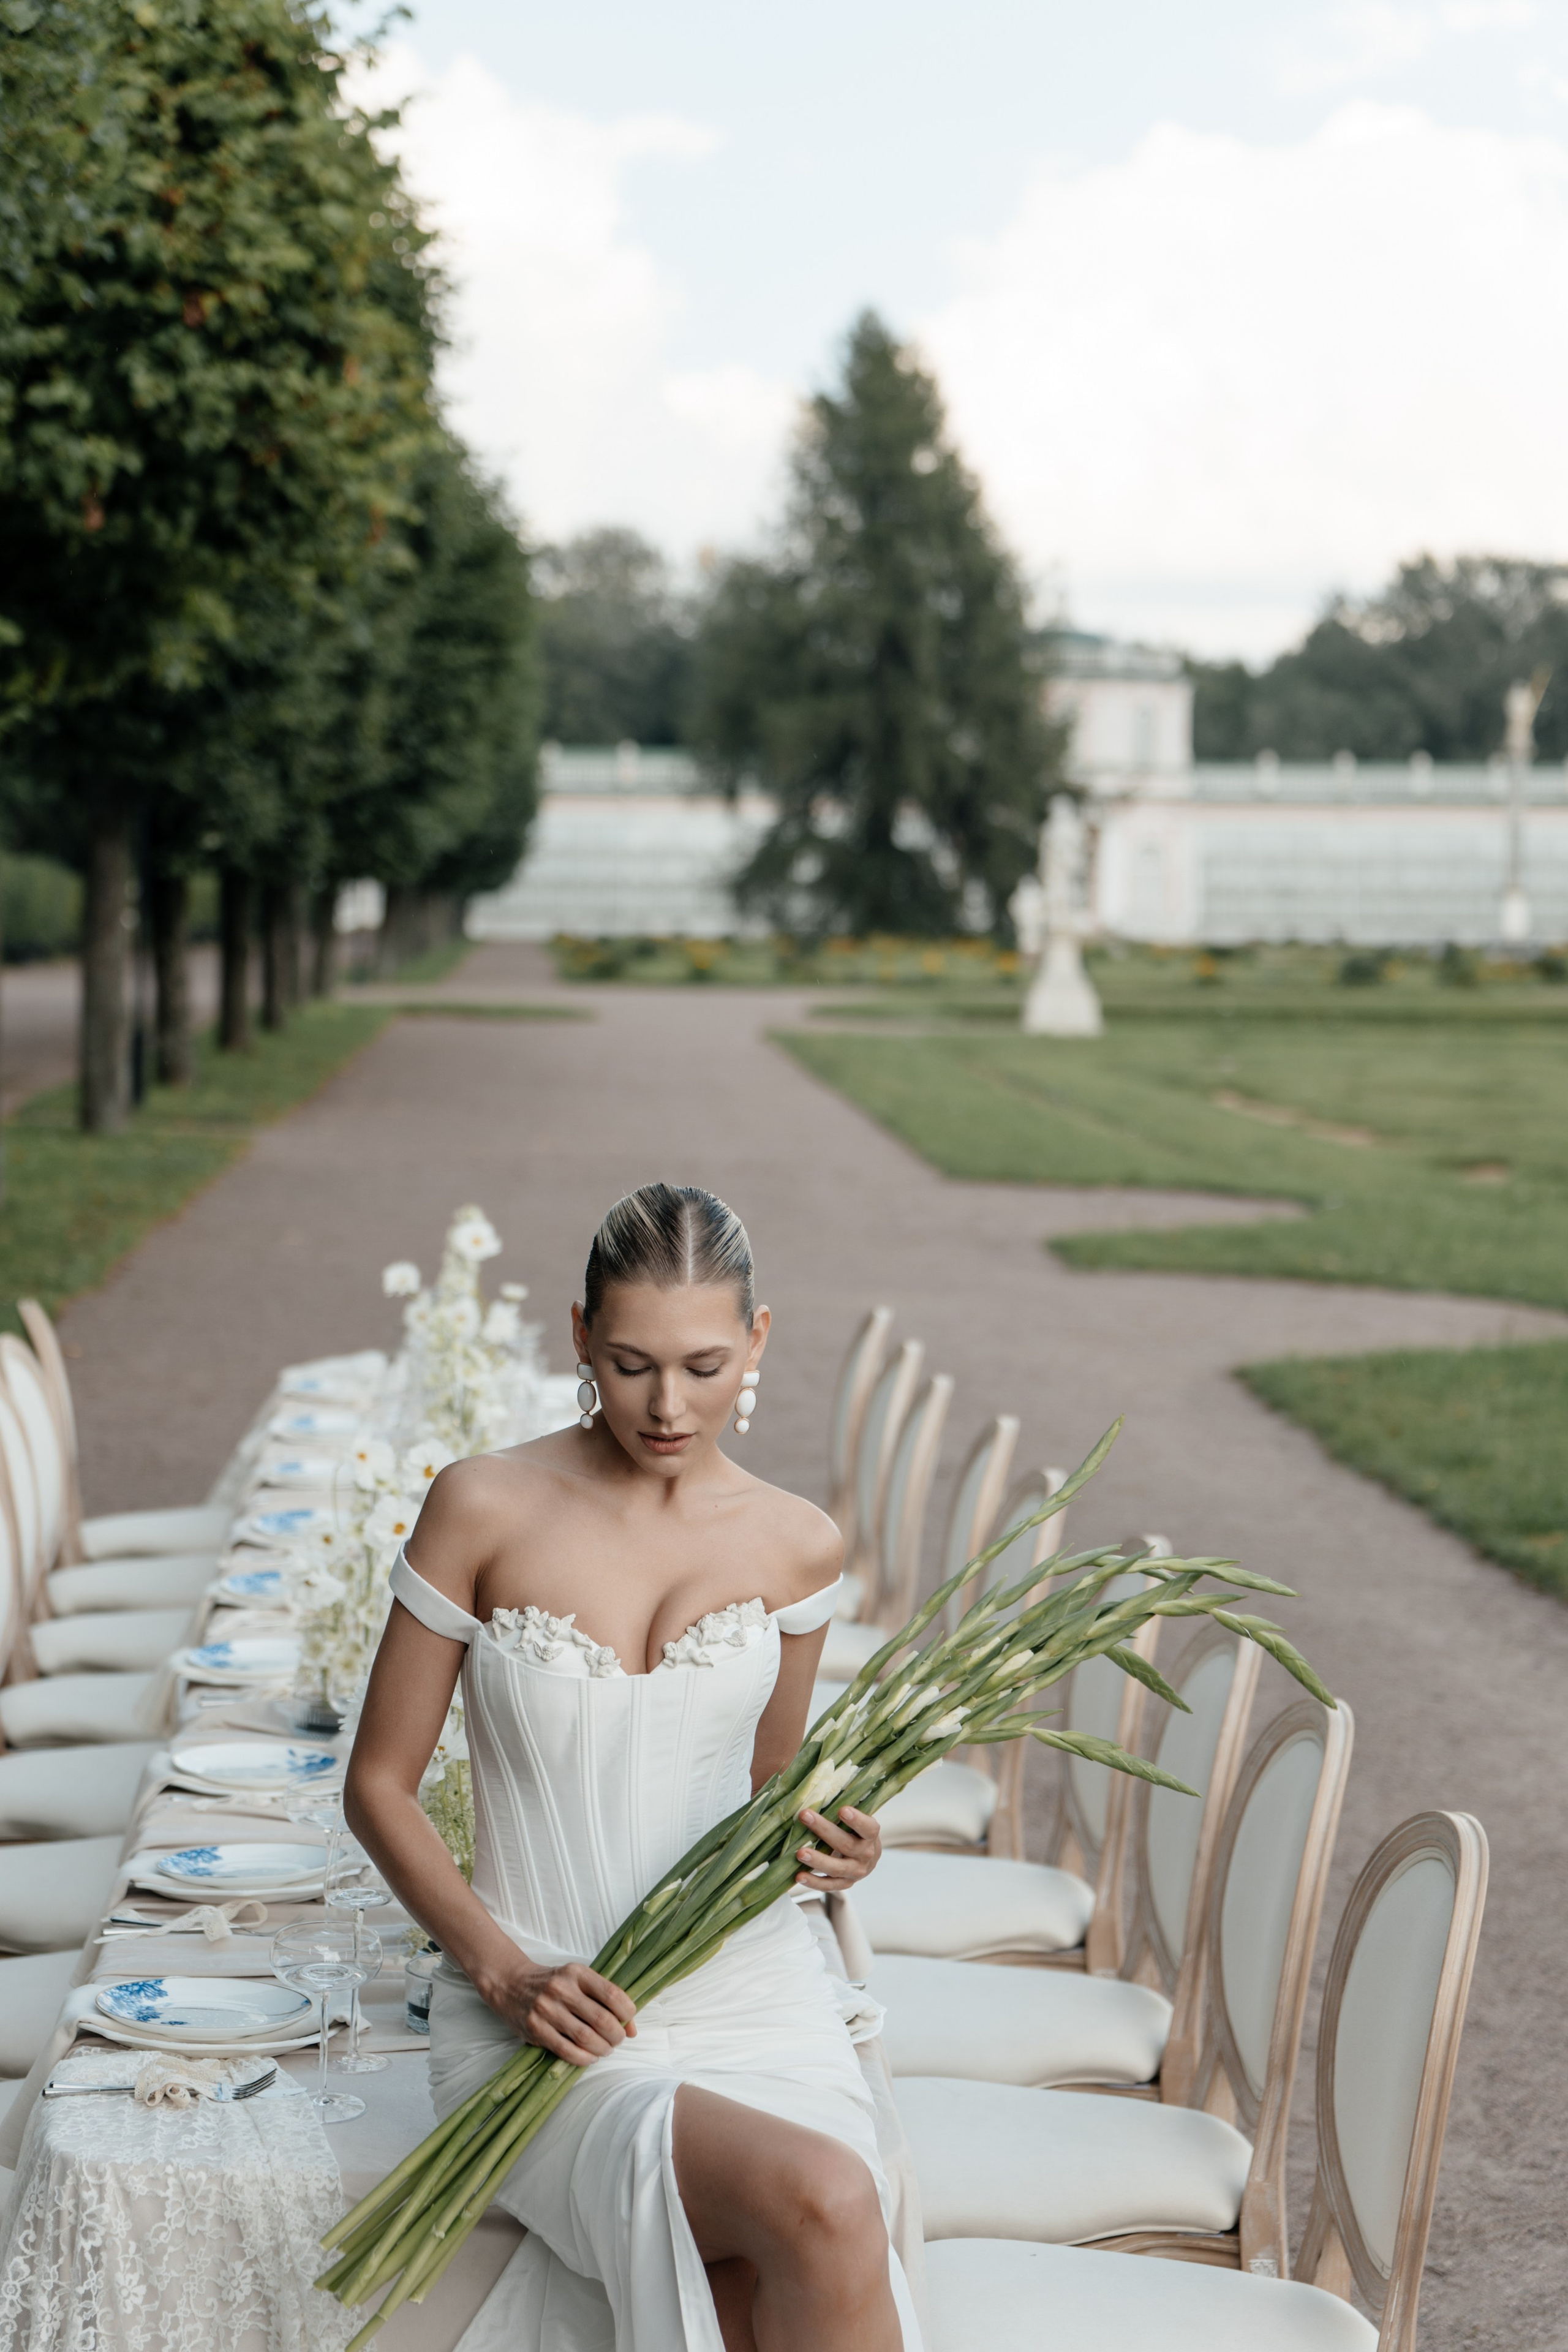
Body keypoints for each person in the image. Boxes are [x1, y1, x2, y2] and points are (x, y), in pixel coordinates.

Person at [345, 1182, 918, 2352]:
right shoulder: (483, 1506)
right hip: (548, 2019)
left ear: (757, 1341)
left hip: (753, 1998)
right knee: (827, 2201)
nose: (667, 1406)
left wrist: (843, 1845)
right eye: (630, 1363)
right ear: (577, 1338)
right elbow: (378, 1785)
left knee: (769, 2278)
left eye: (705, 1367)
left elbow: (773, 1794)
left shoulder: (795, 1539)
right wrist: (505, 1975)